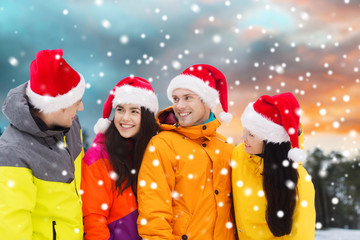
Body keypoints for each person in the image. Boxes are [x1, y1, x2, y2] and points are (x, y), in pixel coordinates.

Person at [137, 64, 235, 239]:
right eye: (175, 99)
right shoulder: (163, 144)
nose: (179, 106)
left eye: (187, 98)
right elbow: (153, 211)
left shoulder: (226, 146)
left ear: (207, 100)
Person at [0, 49, 86, 239]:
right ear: (55, 107)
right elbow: (13, 230)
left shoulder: (71, 125)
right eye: (76, 102)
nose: (81, 108)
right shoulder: (12, 154)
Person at [80, 76, 159, 239]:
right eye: (120, 109)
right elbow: (93, 218)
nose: (125, 118)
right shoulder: (99, 154)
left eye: (134, 111)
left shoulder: (155, 153)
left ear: (147, 117)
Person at [232, 92, 316, 239]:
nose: (242, 137)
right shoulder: (240, 155)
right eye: (244, 129)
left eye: (251, 134)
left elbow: (301, 235)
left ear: (272, 143)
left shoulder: (299, 181)